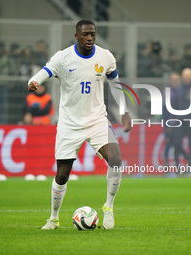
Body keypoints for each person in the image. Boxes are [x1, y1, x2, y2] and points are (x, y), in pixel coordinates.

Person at [27, 20, 131, 230]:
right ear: (77, 36)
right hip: (69, 124)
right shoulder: (63, 58)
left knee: (116, 160)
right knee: (63, 174)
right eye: (85, 34)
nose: (90, 38)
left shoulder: (105, 57)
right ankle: (54, 219)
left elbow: (116, 85)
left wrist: (124, 111)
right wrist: (34, 80)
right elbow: (45, 72)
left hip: (97, 120)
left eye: (92, 34)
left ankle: (108, 208)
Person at [174, 68, 191, 168]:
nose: (187, 78)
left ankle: (190, 165)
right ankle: (181, 163)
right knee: (176, 142)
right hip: (180, 121)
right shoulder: (179, 89)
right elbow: (174, 105)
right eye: (185, 75)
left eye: (189, 76)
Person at [162, 73, 181, 170]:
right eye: (173, 79)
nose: (175, 81)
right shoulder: (168, 92)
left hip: (178, 123)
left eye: (176, 79)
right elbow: (166, 111)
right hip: (170, 123)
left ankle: (177, 166)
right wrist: (169, 124)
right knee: (169, 144)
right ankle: (166, 166)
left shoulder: (179, 91)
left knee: (177, 144)